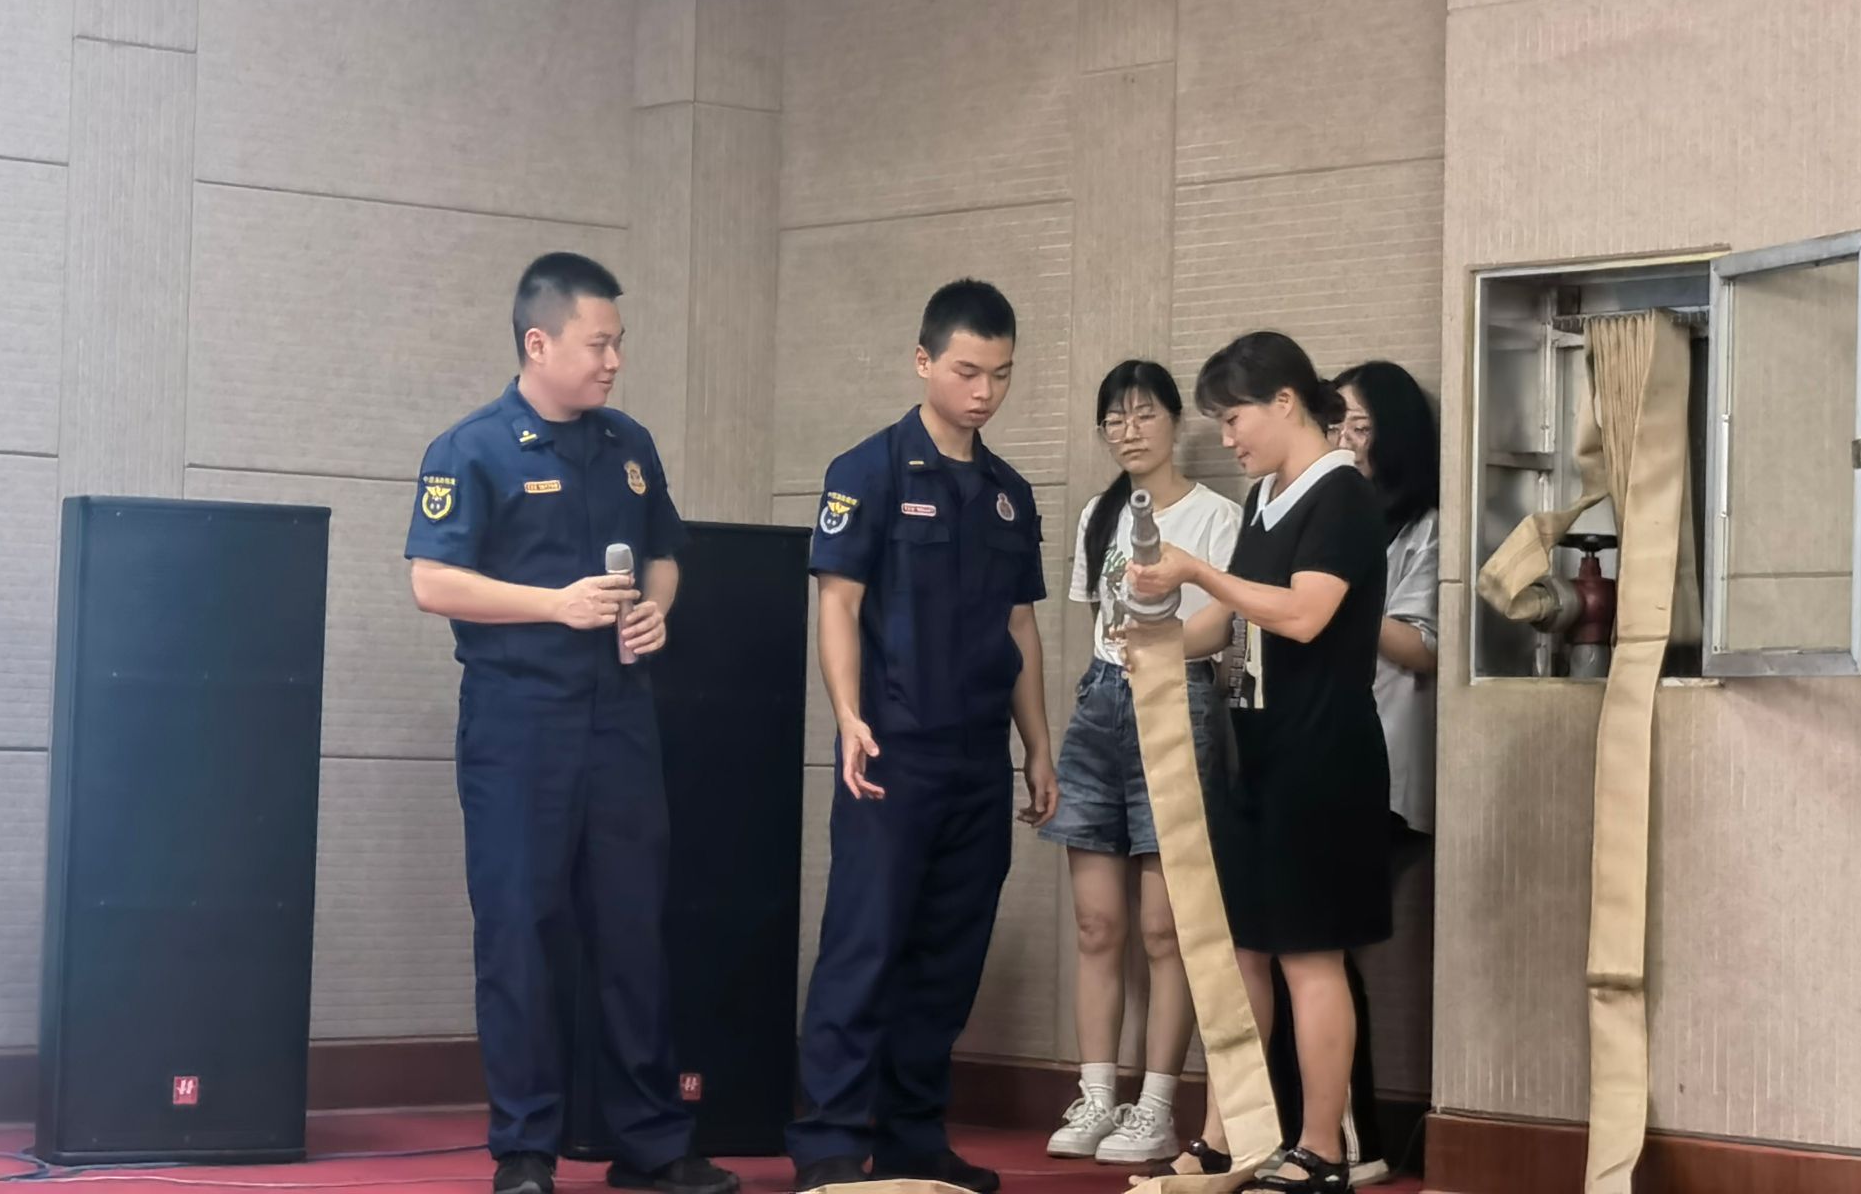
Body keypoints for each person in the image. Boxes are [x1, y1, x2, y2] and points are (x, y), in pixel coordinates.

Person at [405, 253, 737, 1194]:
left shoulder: (629, 442)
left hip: (620, 720)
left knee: (633, 931)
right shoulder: (471, 449)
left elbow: (665, 551)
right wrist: (555, 606)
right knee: (522, 933)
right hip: (518, 727)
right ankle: (525, 1149)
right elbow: (432, 580)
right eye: (599, 344)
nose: (613, 362)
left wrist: (656, 609)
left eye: (618, 343)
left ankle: (651, 1144)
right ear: (538, 342)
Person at [788, 279, 1059, 1194]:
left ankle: (912, 1136)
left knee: (949, 956)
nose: (984, 392)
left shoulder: (1010, 494)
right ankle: (829, 1139)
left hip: (979, 758)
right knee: (864, 945)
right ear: (923, 361)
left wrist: (1038, 747)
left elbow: (1021, 627)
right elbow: (838, 604)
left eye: (1001, 375)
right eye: (967, 371)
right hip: (891, 751)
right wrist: (847, 714)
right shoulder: (865, 471)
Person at [1129, 332, 1391, 1194]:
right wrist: (1159, 641)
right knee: (1242, 953)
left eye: (1234, 417)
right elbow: (1230, 621)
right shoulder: (1266, 496)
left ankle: (1321, 1149)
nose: (1228, 437)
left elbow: (1304, 613)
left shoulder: (1343, 495)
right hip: (1259, 752)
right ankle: (1230, 1135)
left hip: (1325, 755)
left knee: (1309, 957)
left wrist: (1198, 571)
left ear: (1285, 402)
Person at [1041, 362, 1241, 1165]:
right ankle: (1097, 1096)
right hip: (1100, 703)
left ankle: (1156, 1105)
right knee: (1098, 924)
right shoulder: (1099, 514)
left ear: (1175, 422)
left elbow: (1225, 624)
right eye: (1114, 420)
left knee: (1166, 928)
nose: (1129, 431)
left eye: (1143, 414)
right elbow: (1098, 621)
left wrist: (1161, 646)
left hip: (1178, 699)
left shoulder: (1218, 516)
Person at [1259, 360, 1440, 1187]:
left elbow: (1424, 647)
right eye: (1337, 424)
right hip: (1301, 746)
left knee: (1319, 945)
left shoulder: (1418, 527)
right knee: (1296, 945)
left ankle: (1344, 1139)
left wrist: (1338, 597)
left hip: (1381, 757)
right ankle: (1304, 1132)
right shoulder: (1311, 504)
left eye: (1360, 426)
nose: (1345, 440)